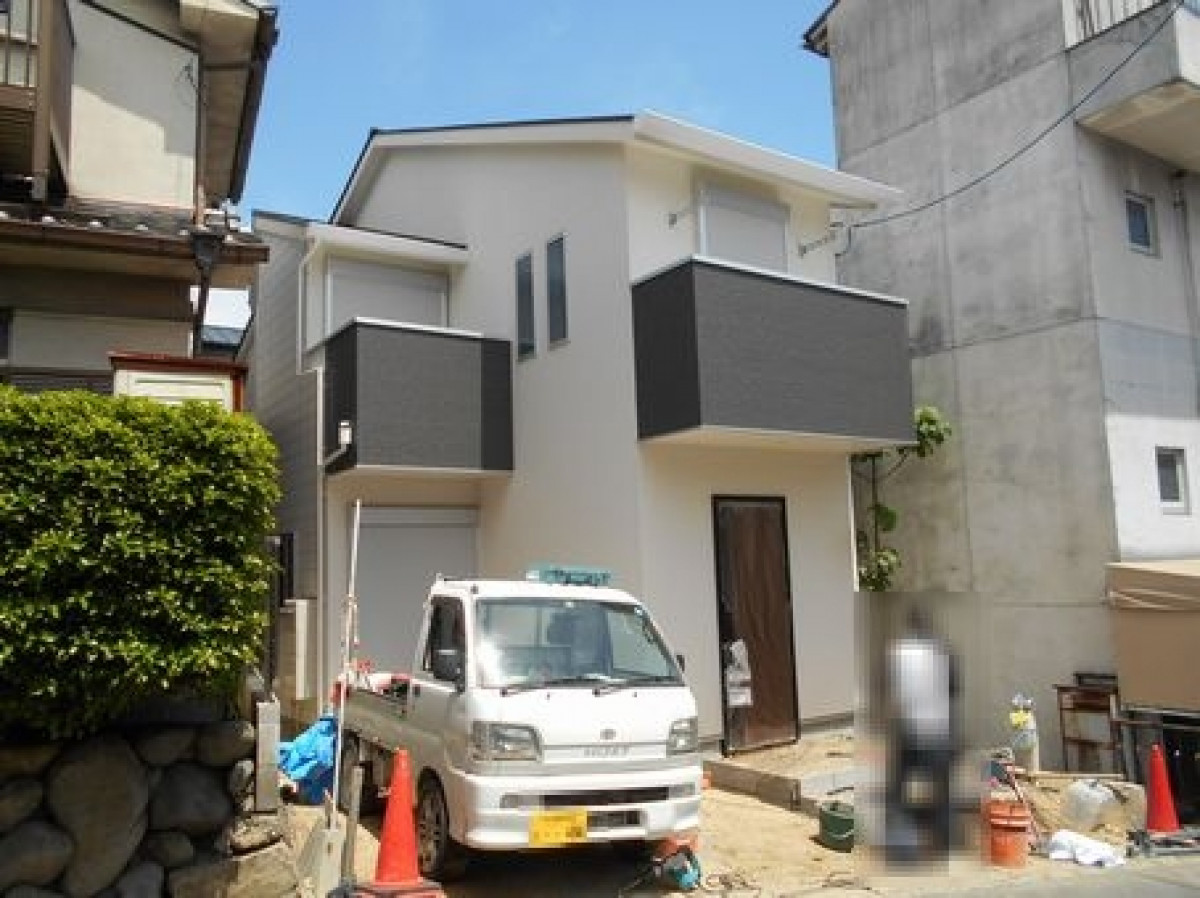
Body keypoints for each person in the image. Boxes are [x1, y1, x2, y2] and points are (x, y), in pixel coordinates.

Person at [883, 606, 958, 866]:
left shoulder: (897, 653)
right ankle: (945, 847)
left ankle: (903, 851)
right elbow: (953, 692)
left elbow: (891, 693)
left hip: (909, 732)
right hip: (938, 731)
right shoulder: (943, 652)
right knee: (942, 791)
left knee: (899, 793)